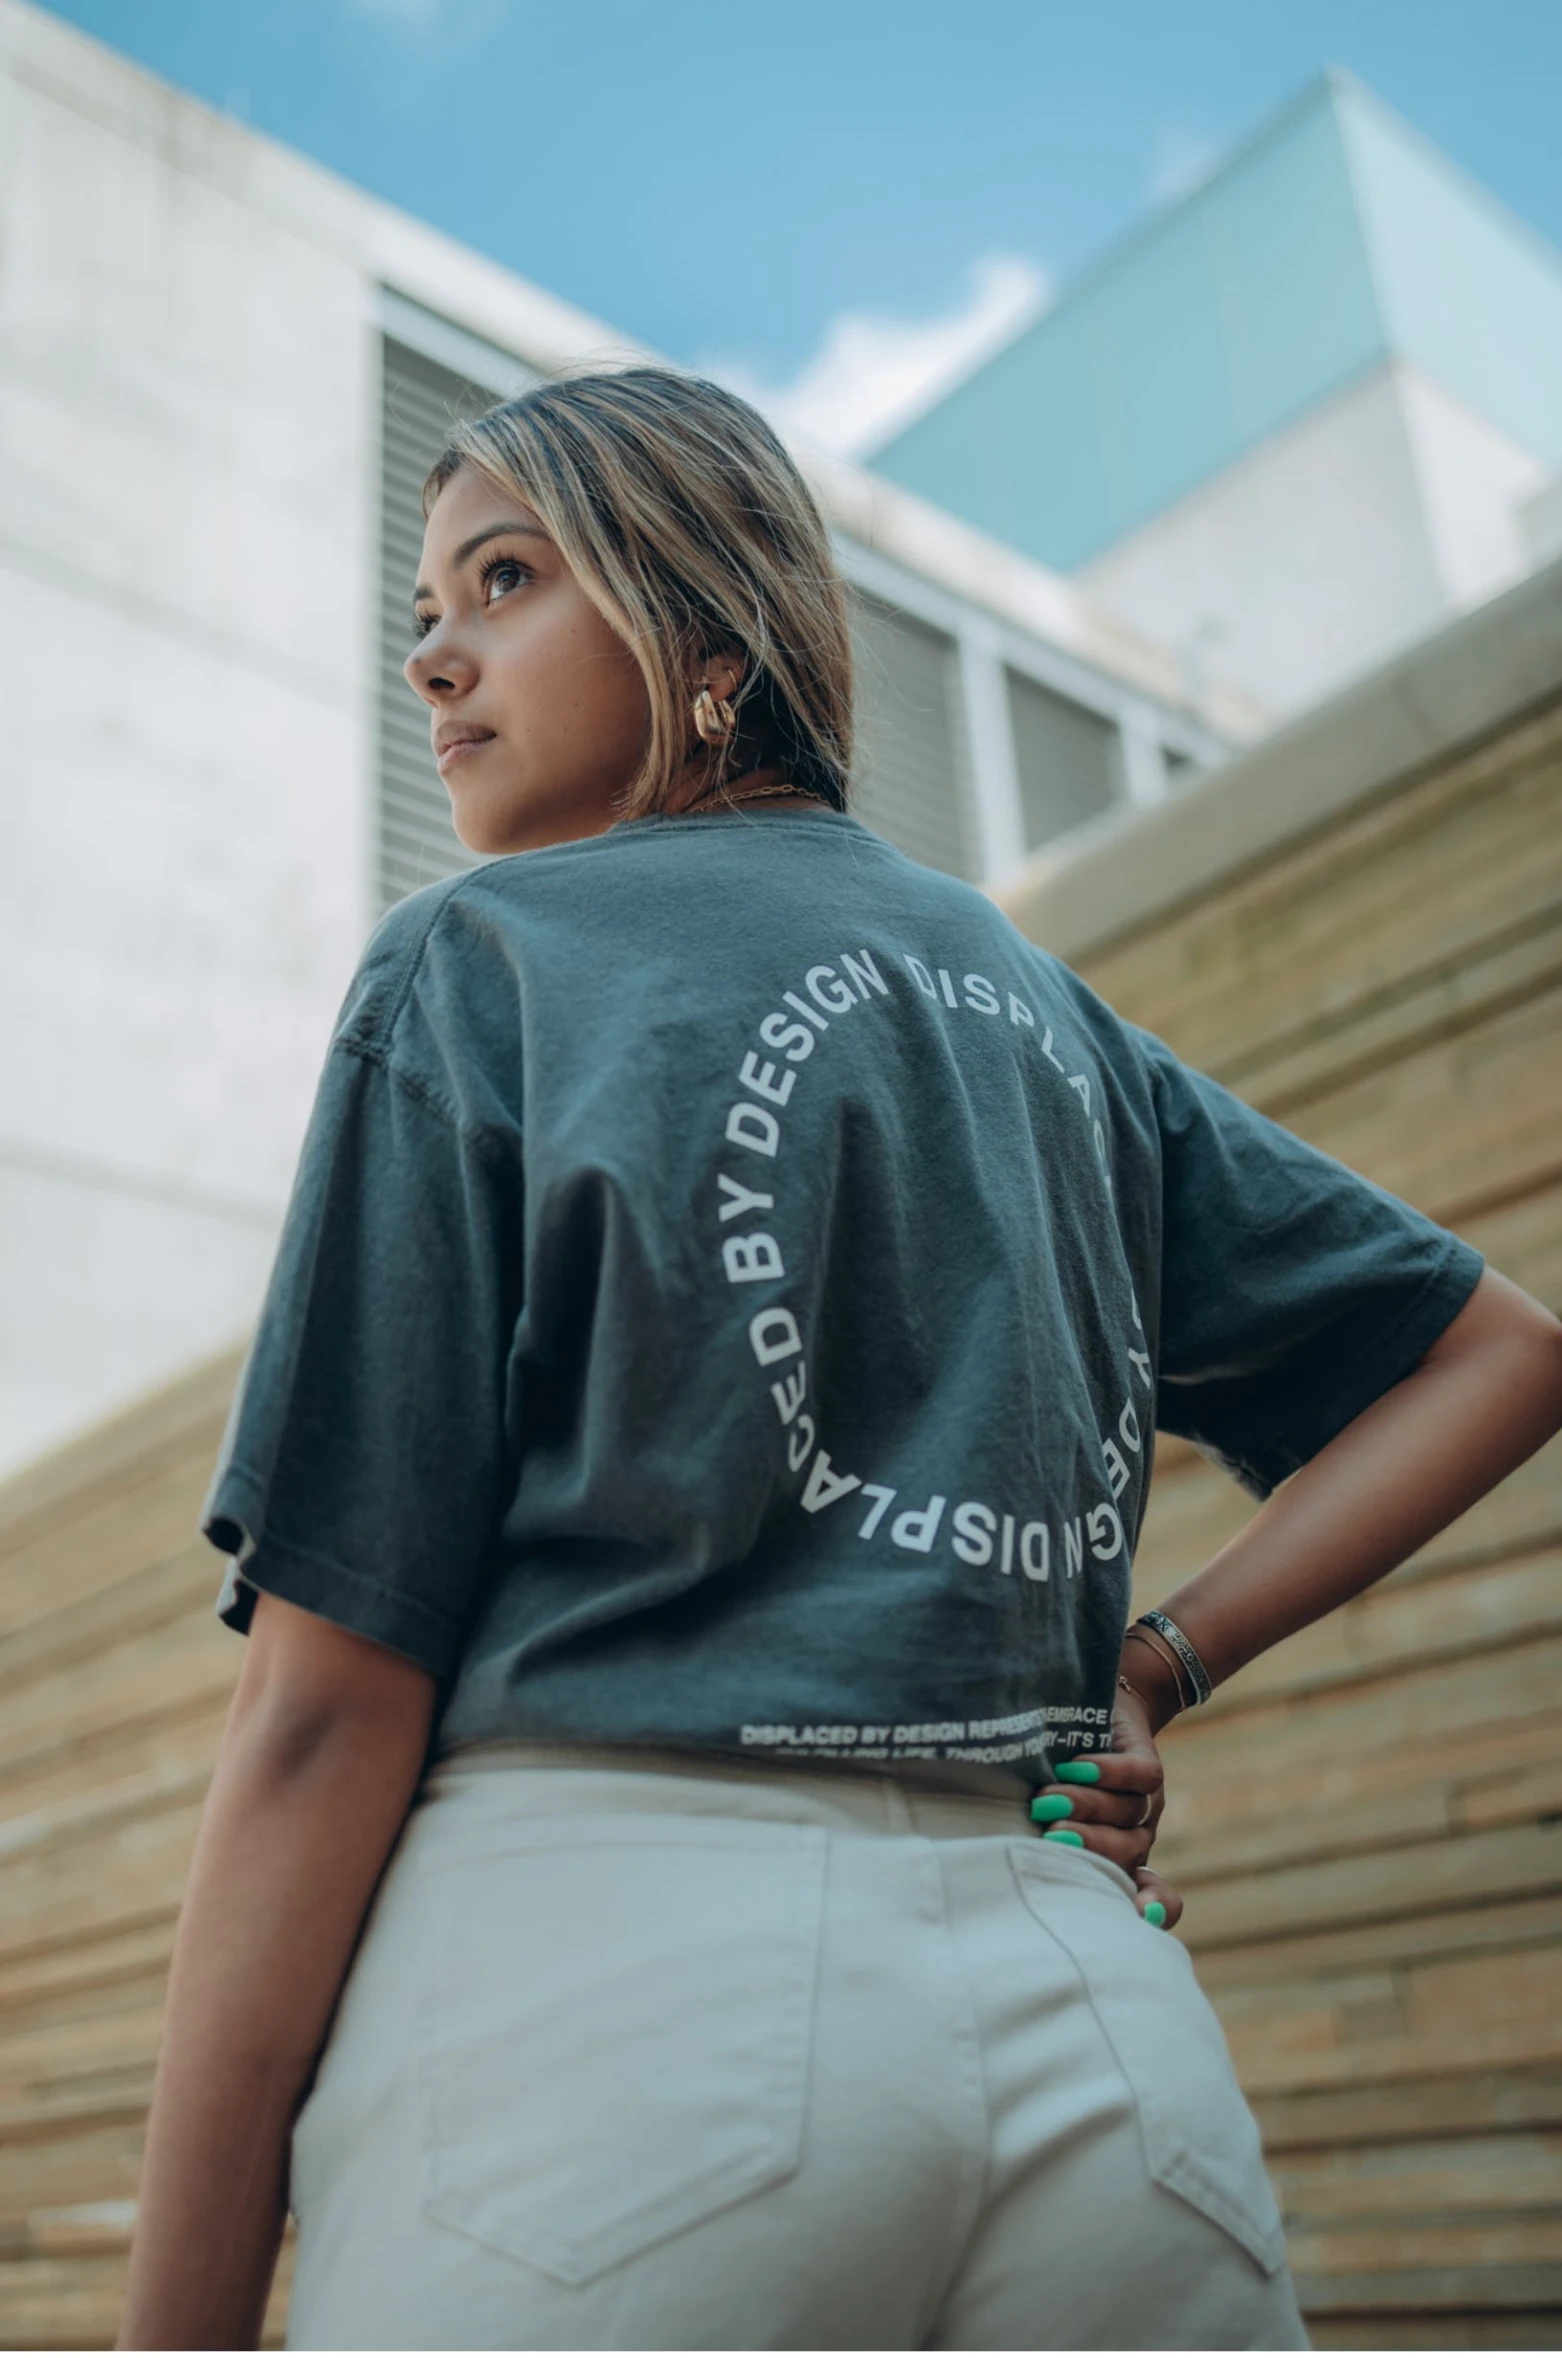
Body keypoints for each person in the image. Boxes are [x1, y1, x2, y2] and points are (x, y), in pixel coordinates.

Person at [117, 368, 1562, 2353]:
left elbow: (318, 1713)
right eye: (426, 608)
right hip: (1106, 2056)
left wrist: (175, 2328)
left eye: (504, 578)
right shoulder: (1053, 1022)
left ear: (708, 638)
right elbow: (1496, 1354)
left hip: (611, 2025)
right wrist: (1152, 1665)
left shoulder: (485, 964)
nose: (431, 656)